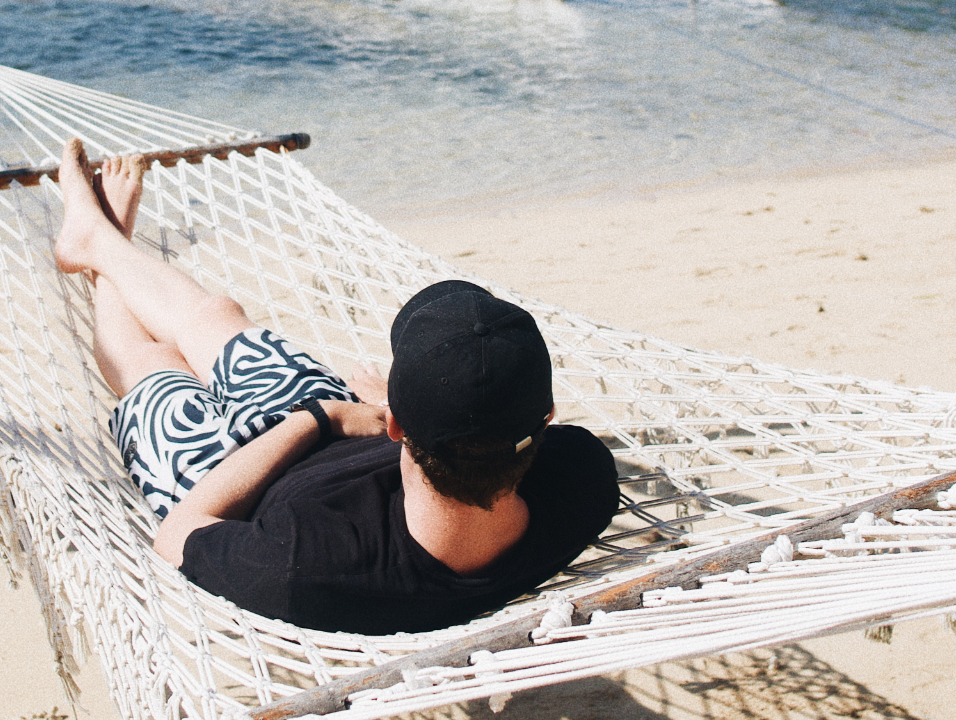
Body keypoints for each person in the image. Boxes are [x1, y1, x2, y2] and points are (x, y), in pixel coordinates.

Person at [55, 138, 620, 634]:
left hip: (230, 478)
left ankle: (102, 244)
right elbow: (484, 434)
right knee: (215, 316)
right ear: (544, 417)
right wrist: (378, 409)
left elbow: (179, 533)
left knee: (152, 362)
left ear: (399, 426)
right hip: (348, 425)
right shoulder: (582, 475)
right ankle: (100, 241)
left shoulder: (310, 565)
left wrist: (322, 417)